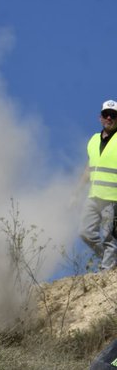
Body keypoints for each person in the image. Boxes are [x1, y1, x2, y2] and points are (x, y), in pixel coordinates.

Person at [80, 99, 117, 270]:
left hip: (112, 198)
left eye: (113, 115)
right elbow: (89, 168)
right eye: (106, 114)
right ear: (100, 117)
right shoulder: (93, 140)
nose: (109, 118)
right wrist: (75, 193)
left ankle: (106, 271)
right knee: (85, 233)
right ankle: (110, 261)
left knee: (109, 237)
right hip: (93, 196)